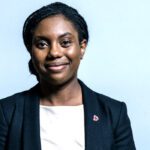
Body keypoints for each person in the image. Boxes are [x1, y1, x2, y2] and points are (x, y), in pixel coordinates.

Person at [0, 2, 136, 150]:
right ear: (30, 50)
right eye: (42, 44)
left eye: (65, 42)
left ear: (82, 47)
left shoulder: (114, 113)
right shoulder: (7, 112)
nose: (54, 53)